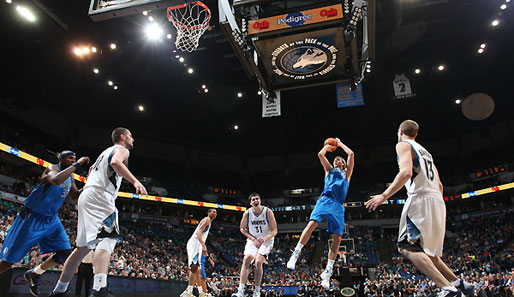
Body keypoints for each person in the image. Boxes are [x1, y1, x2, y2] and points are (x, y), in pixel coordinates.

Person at [365, 120, 474, 297]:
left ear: (400, 131)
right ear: (416, 134)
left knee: (406, 248)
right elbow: (439, 184)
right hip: (437, 200)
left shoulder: (402, 144)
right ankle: (460, 283)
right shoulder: (425, 152)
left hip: (420, 198)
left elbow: (406, 172)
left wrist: (383, 196)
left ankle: (448, 289)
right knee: (428, 253)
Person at [49, 127, 148, 297]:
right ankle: (99, 288)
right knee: (108, 238)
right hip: (101, 196)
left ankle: (59, 290)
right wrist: (135, 181)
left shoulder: (104, 151)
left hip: (86, 195)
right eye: (131, 136)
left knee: (81, 249)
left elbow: (94, 168)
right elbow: (116, 162)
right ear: (123, 137)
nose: (133, 139)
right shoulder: (122, 150)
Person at [0, 150, 90, 296]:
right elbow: (55, 180)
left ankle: (35, 273)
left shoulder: (70, 177)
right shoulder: (52, 169)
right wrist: (77, 164)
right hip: (32, 217)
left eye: (74, 158)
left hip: (51, 219)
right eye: (70, 158)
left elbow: (75, 197)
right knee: (9, 260)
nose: (73, 160)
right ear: (61, 160)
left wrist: (90, 183)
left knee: (64, 254)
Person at [287, 138, 354, 289]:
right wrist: (328, 147)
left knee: (337, 239)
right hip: (325, 201)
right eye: (335, 159)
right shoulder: (329, 171)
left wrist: (340, 143)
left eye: (339, 159)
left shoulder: (347, 174)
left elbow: (351, 154)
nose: (336, 160)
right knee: (312, 224)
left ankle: (327, 273)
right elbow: (320, 155)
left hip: (338, 205)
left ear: (343, 164)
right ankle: (295, 254)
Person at [232, 193, 278, 297]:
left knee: (258, 262)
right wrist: (253, 238)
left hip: (266, 240)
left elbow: (274, 230)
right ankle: (240, 290)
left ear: (260, 201)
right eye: (253, 199)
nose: (255, 200)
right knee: (247, 259)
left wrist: (264, 239)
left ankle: (257, 291)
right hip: (253, 240)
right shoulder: (247, 213)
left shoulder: (267, 212)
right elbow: (242, 228)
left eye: (257, 199)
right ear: (250, 203)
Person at [181, 208, 217, 297]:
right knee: (194, 268)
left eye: (216, 212)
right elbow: (198, 232)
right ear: (208, 213)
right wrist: (203, 245)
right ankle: (188, 292)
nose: (214, 213)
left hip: (198, 245)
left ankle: (201, 293)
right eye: (213, 211)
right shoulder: (206, 220)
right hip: (195, 244)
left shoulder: (209, 222)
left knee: (197, 270)